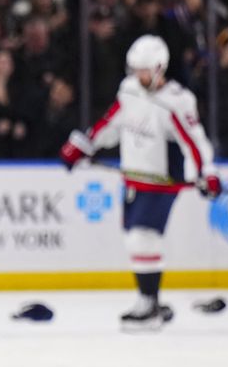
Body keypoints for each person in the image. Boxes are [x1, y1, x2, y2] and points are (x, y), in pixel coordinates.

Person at [60, 35, 219, 331]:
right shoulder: (129, 91)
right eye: (135, 70)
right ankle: (151, 302)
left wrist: (206, 172)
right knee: (135, 238)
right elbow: (111, 124)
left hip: (161, 181)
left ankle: (148, 304)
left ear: (159, 68)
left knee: (143, 237)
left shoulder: (177, 101)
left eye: (143, 70)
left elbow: (194, 143)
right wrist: (84, 145)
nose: (138, 75)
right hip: (134, 178)